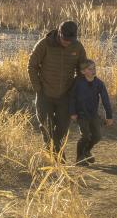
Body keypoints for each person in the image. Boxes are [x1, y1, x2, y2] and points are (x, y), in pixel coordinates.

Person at [27, 19, 86, 159]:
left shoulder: (77, 47)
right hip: (44, 94)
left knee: (62, 128)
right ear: (59, 33)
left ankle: (54, 150)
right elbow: (32, 66)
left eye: (70, 40)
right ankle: (57, 157)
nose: (67, 42)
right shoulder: (44, 44)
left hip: (66, 95)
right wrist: (38, 88)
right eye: (65, 39)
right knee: (46, 126)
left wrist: (76, 92)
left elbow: (82, 71)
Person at [70, 59, 113, 165]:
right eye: (90, 69)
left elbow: (105, 100)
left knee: (97, 136)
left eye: (94, 68)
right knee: (85, 136)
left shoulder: (99, 84)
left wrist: (109, 116)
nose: (93, 71)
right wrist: (72, 112)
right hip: (81, 114)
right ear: (83, 71)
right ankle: (79, 158)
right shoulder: (78, 82)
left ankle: (87, 151)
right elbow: (71, 98)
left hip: (93, 114)